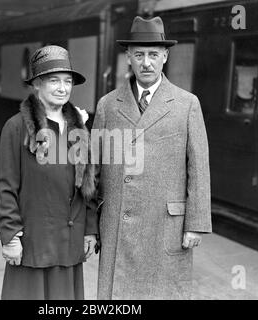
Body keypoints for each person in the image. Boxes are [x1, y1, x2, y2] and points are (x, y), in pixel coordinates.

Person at [92, 16, 212, 299]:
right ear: (128, 58)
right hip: (118, 224)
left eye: (153, 55)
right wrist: (89, 226)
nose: (146, 63)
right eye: (139, 55)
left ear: (165, 56)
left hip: (164, 227)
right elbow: (92, 171)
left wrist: (195, 224)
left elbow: (199, 167)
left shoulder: (187, 104)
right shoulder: (108, 105)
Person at [0, 45, 98, 300]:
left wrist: (90, 230)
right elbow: (6, 187)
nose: (63, 88)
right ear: (37, 84)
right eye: (54, 81)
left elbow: (90, 185)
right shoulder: (16, 127)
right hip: (33, 245)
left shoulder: (80, 129)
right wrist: (10, 236)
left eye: (67, 81)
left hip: (69, 245)